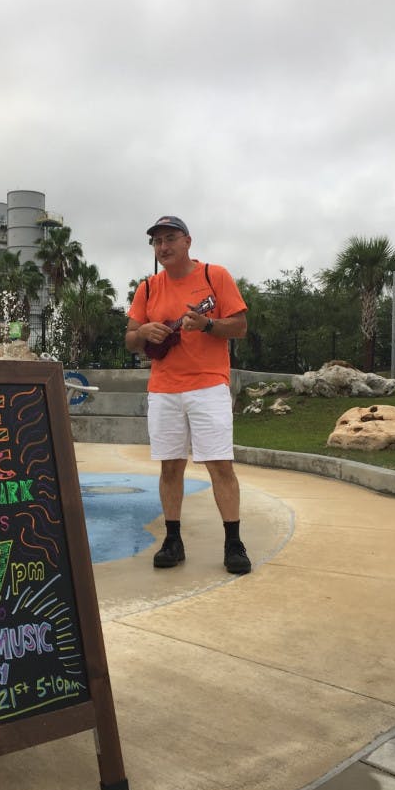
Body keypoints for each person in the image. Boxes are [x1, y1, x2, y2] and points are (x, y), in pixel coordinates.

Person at [125, 215, 251, 574]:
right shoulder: (148, 288)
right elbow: (130, 339)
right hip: (164, 389)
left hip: (208, 385)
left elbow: (240, 326)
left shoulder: (216, 276)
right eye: (157, 242)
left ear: (187, 241)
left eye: (170, 239)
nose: (163, 247)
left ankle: (233, 542)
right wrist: (144, 332)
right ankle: (173, 539)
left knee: (219, 465)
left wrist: (208, 324)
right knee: (170, 467)